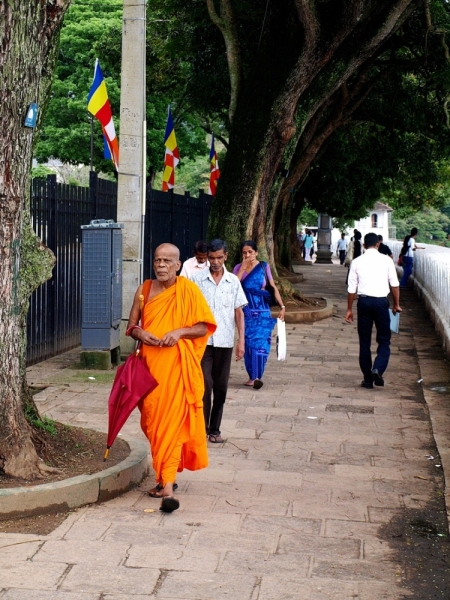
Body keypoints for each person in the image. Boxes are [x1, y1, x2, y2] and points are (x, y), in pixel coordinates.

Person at [126, 243, 217, 512]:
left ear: (178, 265)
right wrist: (141, 334)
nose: (161, 265)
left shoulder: (188, 290)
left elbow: (203, 327)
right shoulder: (144, 290)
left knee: (173, 426)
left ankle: (167, 485)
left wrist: (179, 333)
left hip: (177, 368)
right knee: (153, 424)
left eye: (167, 261)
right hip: (149, 372)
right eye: (157, 260)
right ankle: (165, 477)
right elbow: (130, 325)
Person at [190, 239, 247, 443]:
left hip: (225, 341)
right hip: (202, 342)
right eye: (212, 258)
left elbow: (238, 312)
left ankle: (215, 429)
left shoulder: (233, 281)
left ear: (226, 257)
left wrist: (241, 341)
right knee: (204, 384)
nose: (215, 262)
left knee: (221, 387)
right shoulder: (196, 280)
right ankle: (202, 428)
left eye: (219, 258)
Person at [345, 232, 401, 389]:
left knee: (364, 341)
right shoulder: (387, 261)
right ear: (378, 244)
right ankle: (378, 368)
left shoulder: (356, 262)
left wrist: (349, 309)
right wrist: (396, 305)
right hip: (381, 303)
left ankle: (368, 379)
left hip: (363, 302)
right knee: (384, 339)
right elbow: (394, 285)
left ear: (363, 245)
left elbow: (351, 289)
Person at [233, 240, 285, 389]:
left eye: (250, 252)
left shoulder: (264, 266)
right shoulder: (237, 268)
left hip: (263, 313)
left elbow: (273, 286)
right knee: (249, 344)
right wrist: (242, 268)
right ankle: (251, 375)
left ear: (256, 252)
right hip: (246, 312)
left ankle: (257, 376)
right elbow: (232, 286)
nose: (248, 255)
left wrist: (282, 306)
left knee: (261, 344)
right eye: (244, 252)